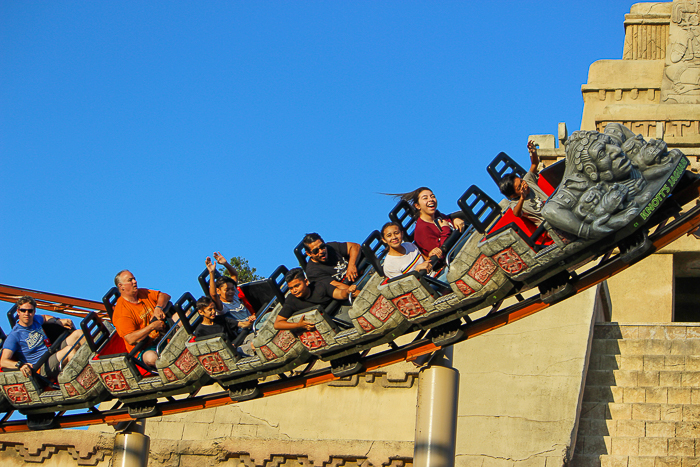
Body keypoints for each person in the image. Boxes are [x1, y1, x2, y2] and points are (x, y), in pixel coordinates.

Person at [1, 296, 84, 379]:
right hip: (40, 367)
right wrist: (20, 365)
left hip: (51, 353)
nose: (27, 314)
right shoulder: (14, 335)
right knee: (69, 351)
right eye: (23, 310)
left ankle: (94, 359)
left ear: (34, 312)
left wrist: (58, 321)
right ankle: (82, 378)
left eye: (30, 311)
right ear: (18, 312)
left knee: (79, 333)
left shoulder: (35, 319)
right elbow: (3, 361)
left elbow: (44, 317)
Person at [111, 270, 171, 367]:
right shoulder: (122, 312)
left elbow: (164, 296)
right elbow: (130, 339)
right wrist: (152, 327)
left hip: (164, 334)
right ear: (121, 286)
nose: (134, 282)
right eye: (130, 280)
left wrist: (158, 307)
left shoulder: (142, 293)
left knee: (184, 315)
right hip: (145, 348)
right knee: (151, 357)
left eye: (134, 279)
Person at [390, 188, 466, 264]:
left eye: (432, 196)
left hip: (458, 243)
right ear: (417, 206)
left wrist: (455, 219)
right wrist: (445, 229)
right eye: (425, 198)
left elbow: (448, 221)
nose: (431, 200)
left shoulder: (436, 214)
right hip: (448, 258)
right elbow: (440, 254)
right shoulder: (422, 229)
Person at [274, 268, 358, 331]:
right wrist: (299, 325)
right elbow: (278, 324)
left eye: (297, 286)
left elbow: (339, 294)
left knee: (357, 311)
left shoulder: (319, 286)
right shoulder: (291, 300)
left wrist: (347, 291)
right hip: (328, 324)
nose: (294, 290)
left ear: (306, 282)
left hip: (340, 309)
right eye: (291, 288)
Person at [498, 140, 549, 226]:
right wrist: (522, 197)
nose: (524, 185)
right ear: (513, 195)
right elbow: (516, 213)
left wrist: (533, 152)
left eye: (521, 181)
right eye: (519, 187)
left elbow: (534, 164)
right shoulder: (515, 203)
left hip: (555, 208)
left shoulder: (528, 180)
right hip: (549, 222)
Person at [205, 252, 255, 329]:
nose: (231, 292)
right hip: (244, 330)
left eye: (232, 289)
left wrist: (225, 264)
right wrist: (211, 273)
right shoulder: (222, 307)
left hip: (254, 322)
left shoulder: (234, 296)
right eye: (227, 290)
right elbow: (213, 295)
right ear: (218, 291)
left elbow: (234, 275)